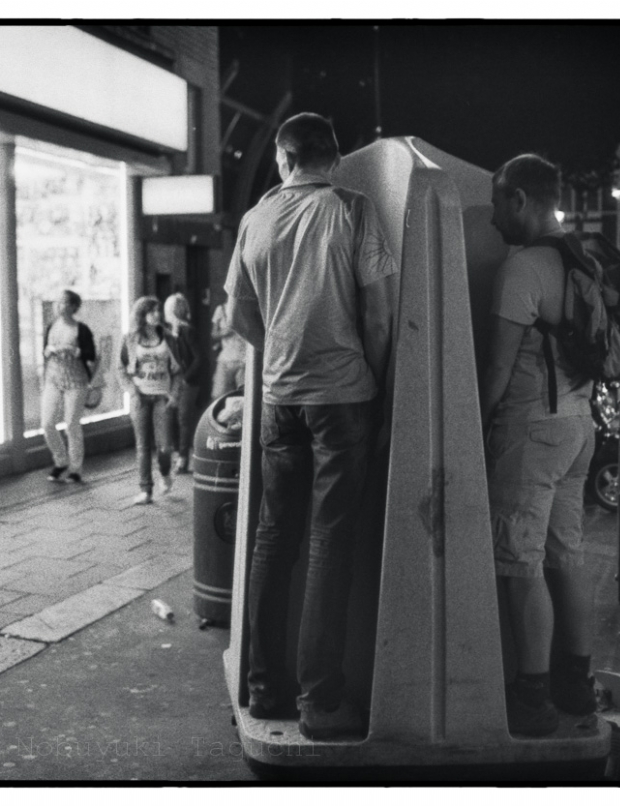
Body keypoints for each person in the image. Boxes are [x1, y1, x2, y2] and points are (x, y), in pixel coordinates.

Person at [225, 113, 398, 739]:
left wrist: (279, 350)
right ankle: (321, 703)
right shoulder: (352, 209)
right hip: (342, 398)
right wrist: (374, 384)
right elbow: (379, 315)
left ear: (282, 158)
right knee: (329, 542)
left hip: (279, 399)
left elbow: (239, 314)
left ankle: (264, 689)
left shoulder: (256, 218)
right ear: (336, 156)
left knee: (275, 539)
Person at [481, 154, 598, 737]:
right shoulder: (582, 257)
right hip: (580, 428)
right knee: (565, 557)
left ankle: (532, 699)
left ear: (521, 199)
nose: (494, 216)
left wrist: (472, 429)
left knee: (520, 566)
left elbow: (498, 369)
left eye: (499, 202)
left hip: (532, 430)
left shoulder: (523, 266)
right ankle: (575, 684)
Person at [119, 296, 182, 505]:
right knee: (142, 446)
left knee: (164, 446)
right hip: (140, 398)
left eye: (158, 311)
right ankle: (146, 490)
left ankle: (165, 474)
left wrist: (173, 394)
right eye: (152, 311)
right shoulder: (129, 339)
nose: (157, 314)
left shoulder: (168, 337)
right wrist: (132, 391)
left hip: (162, 398)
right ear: (142, 314)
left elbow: (177, 371)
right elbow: (120, 370)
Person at [41, 289, 97, 483]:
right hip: (53, 379)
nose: (60, 305)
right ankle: (60, 460)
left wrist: (75, 351)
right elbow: (44, 351)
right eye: (59, 302)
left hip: (76, 380)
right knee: (47, 423)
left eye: (65, 302)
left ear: (74, 306)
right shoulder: (51, 326)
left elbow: (90, 354)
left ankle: (75, 468)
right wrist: (49, 351)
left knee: (72, 424)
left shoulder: (81, 329)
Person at [164, 292, 204, 474]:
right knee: (174, 416)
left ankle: (183, 459)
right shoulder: (171, 333)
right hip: (175, 381)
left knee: (184, 418)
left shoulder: (188, 331)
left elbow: (199, 358)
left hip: (188, 380)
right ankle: (180, 454)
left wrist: (186, 378)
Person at [210, 296, 247, 399]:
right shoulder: (221, 309)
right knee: (219, 396)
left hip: (244, 361)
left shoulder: (247, 308)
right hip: (226, 359)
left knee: (245, 398)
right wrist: (225, 332)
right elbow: (214, 334)